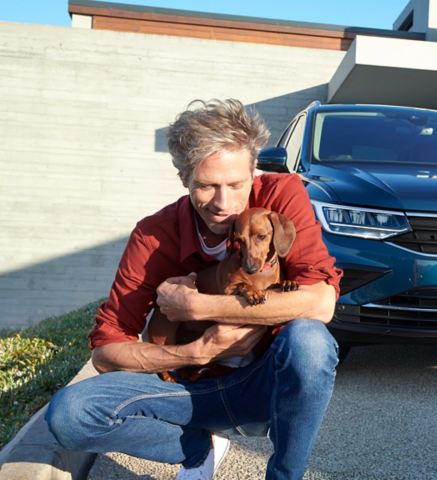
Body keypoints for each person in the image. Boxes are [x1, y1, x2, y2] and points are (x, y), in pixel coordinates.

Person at [45, 99, 342, 480]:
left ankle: (285, 475)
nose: (223, 203)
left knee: (311, 340)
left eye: (236, 184)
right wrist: (194, 352)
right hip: (186, 392)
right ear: (183, 177)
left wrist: (200, 307)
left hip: (260, 387)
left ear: (254, 171)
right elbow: (106, 351)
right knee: (69, 415)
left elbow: (321, 302)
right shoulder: (154, 234)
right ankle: (197, 447)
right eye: (205, 185)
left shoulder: (281, 196)